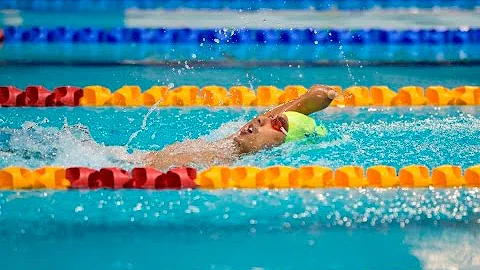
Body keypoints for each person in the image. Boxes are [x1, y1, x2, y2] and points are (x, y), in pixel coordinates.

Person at [145, 85, 337, 170]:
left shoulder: (240, 167)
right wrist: (305, 102)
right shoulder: (231, 145)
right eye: (268, 117)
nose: (262, 118)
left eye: (277, 123)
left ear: (284, 145)